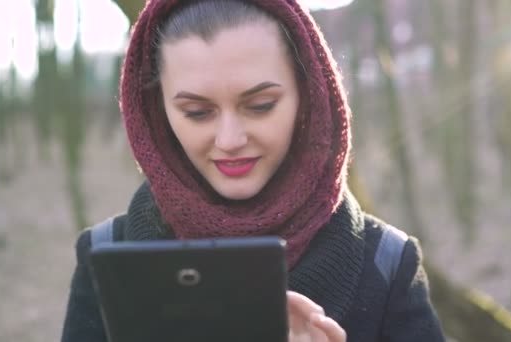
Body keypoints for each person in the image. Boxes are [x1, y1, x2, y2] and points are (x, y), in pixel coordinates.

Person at [61, 0, 446, 341]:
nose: (229, 139)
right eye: (197, 112)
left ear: (307, 94)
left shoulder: (387, 263)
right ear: (157, 112)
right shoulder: (105, 254)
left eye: (260, 105)